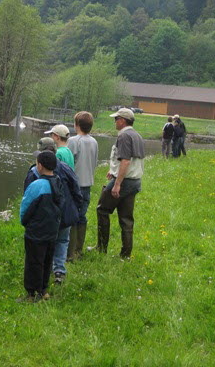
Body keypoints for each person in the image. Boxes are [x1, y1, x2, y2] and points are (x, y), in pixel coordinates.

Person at [24, 138, 82, 285]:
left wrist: (27, 219)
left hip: (45, 218)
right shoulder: (65, 167)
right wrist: (75, 208)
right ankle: (59, 272)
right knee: (62, 241)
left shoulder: (34, 172)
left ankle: (43, 275)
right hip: (65, 213)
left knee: (44, 244)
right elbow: (76, 189)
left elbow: (28, 196)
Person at [95, 107, 145, 259]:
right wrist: (113, 170)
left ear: (122, 121)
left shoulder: (124, 136)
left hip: (124, 181)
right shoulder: (137, 135)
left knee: (102, 209)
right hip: (135, 181)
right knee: (126, 218)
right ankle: (125, 254)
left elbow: (125, 160)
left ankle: (101, 248)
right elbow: (133, 160)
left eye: (116, 119)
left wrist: (117, 183)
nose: (115, 121)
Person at [19, 151, 63, 302]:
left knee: (33, 261)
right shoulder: (57, 181)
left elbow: (26, 207)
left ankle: (32, 293)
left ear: (40, 165)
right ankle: (44, 290)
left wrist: (24, 222)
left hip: (36, 231)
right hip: (52, 230)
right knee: (47, 260)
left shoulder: (37, 185)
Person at [66, 111, 99, 261]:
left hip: (75, 185)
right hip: (88, 184)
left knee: (72, 217)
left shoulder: (73, 141)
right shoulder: (94, 142)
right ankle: (78, 250)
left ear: (76, 125)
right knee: (82, 216)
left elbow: (68, 163)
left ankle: (70, 252)